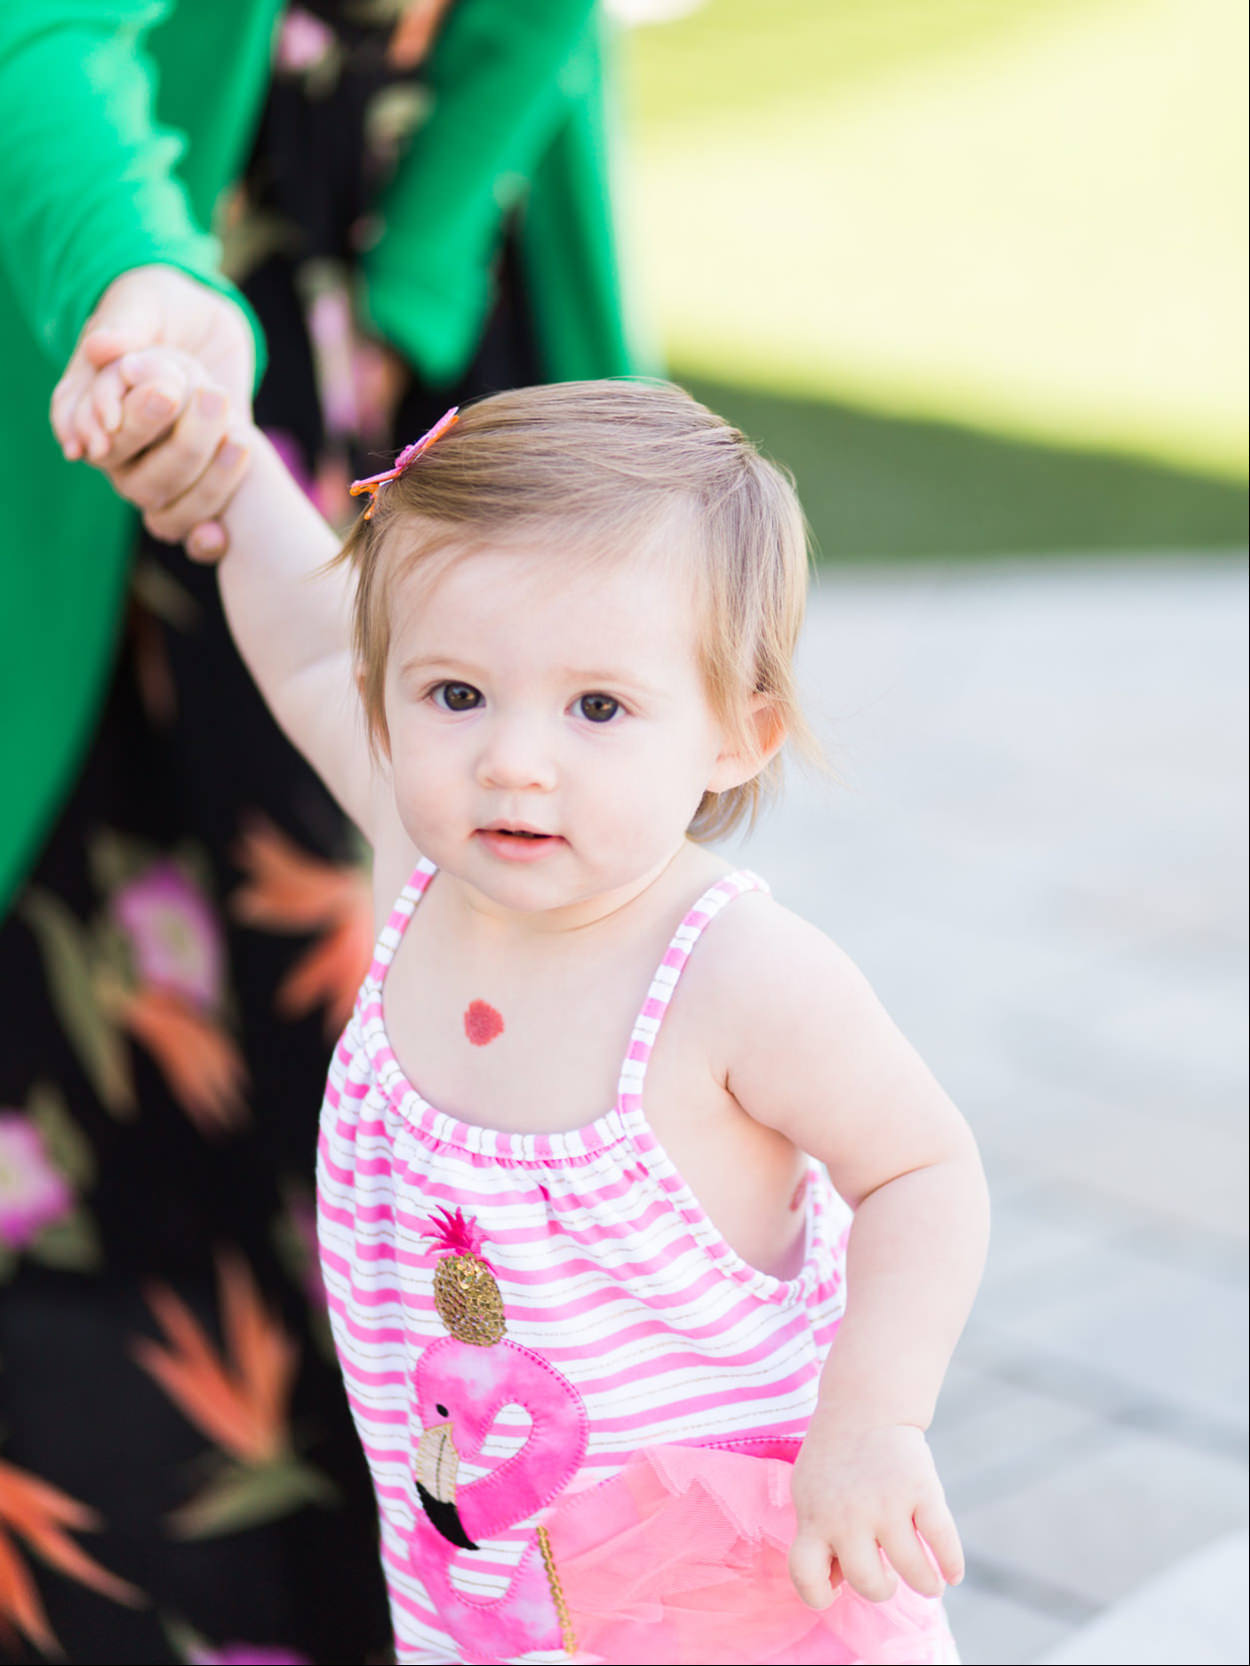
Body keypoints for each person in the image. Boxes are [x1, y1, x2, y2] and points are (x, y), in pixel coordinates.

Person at [67, 354, 988, 1665]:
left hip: (743, 1594)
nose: (512, 756)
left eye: (597, 705)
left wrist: (873, 1421)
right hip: (481, 1606)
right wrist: (227, 470)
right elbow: (317, 635)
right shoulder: (418, 862)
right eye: (455, 692)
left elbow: (922, 1168)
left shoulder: (732, 974)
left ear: (738, 733)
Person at [0, 4, 638, 1658]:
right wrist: (139, 280)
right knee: (148, 1139)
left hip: (440, 378)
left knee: (483, 1113)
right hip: (170, 405)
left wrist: (426, 263)